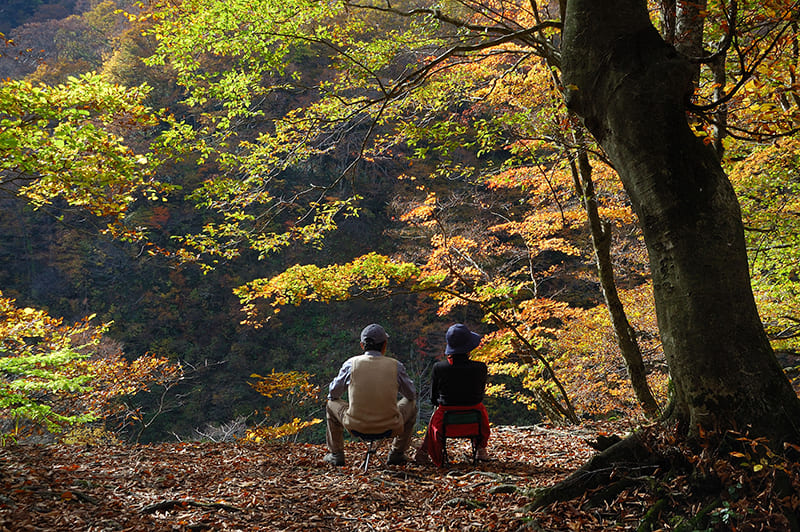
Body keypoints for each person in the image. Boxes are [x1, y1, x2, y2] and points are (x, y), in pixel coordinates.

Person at [324, 323, 418, 466]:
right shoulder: (396, 366)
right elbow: (411, 395)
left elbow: (333, 394)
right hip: (390, 426)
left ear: (362, 345)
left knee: (331, 404)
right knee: (412, 404)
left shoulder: (351, 364)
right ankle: (397, 453)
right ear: (384, 345)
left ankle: (336, 454)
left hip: (356, 425)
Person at [415, 323, 490, 466]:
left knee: (435, 416)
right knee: (481, 408)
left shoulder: (439, 368)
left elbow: (433, 398)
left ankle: (423, 452)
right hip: (475, 419)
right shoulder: (480, 367)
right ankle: (481, 448)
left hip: (446, 421)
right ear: (468, 347)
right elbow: (480, 394)